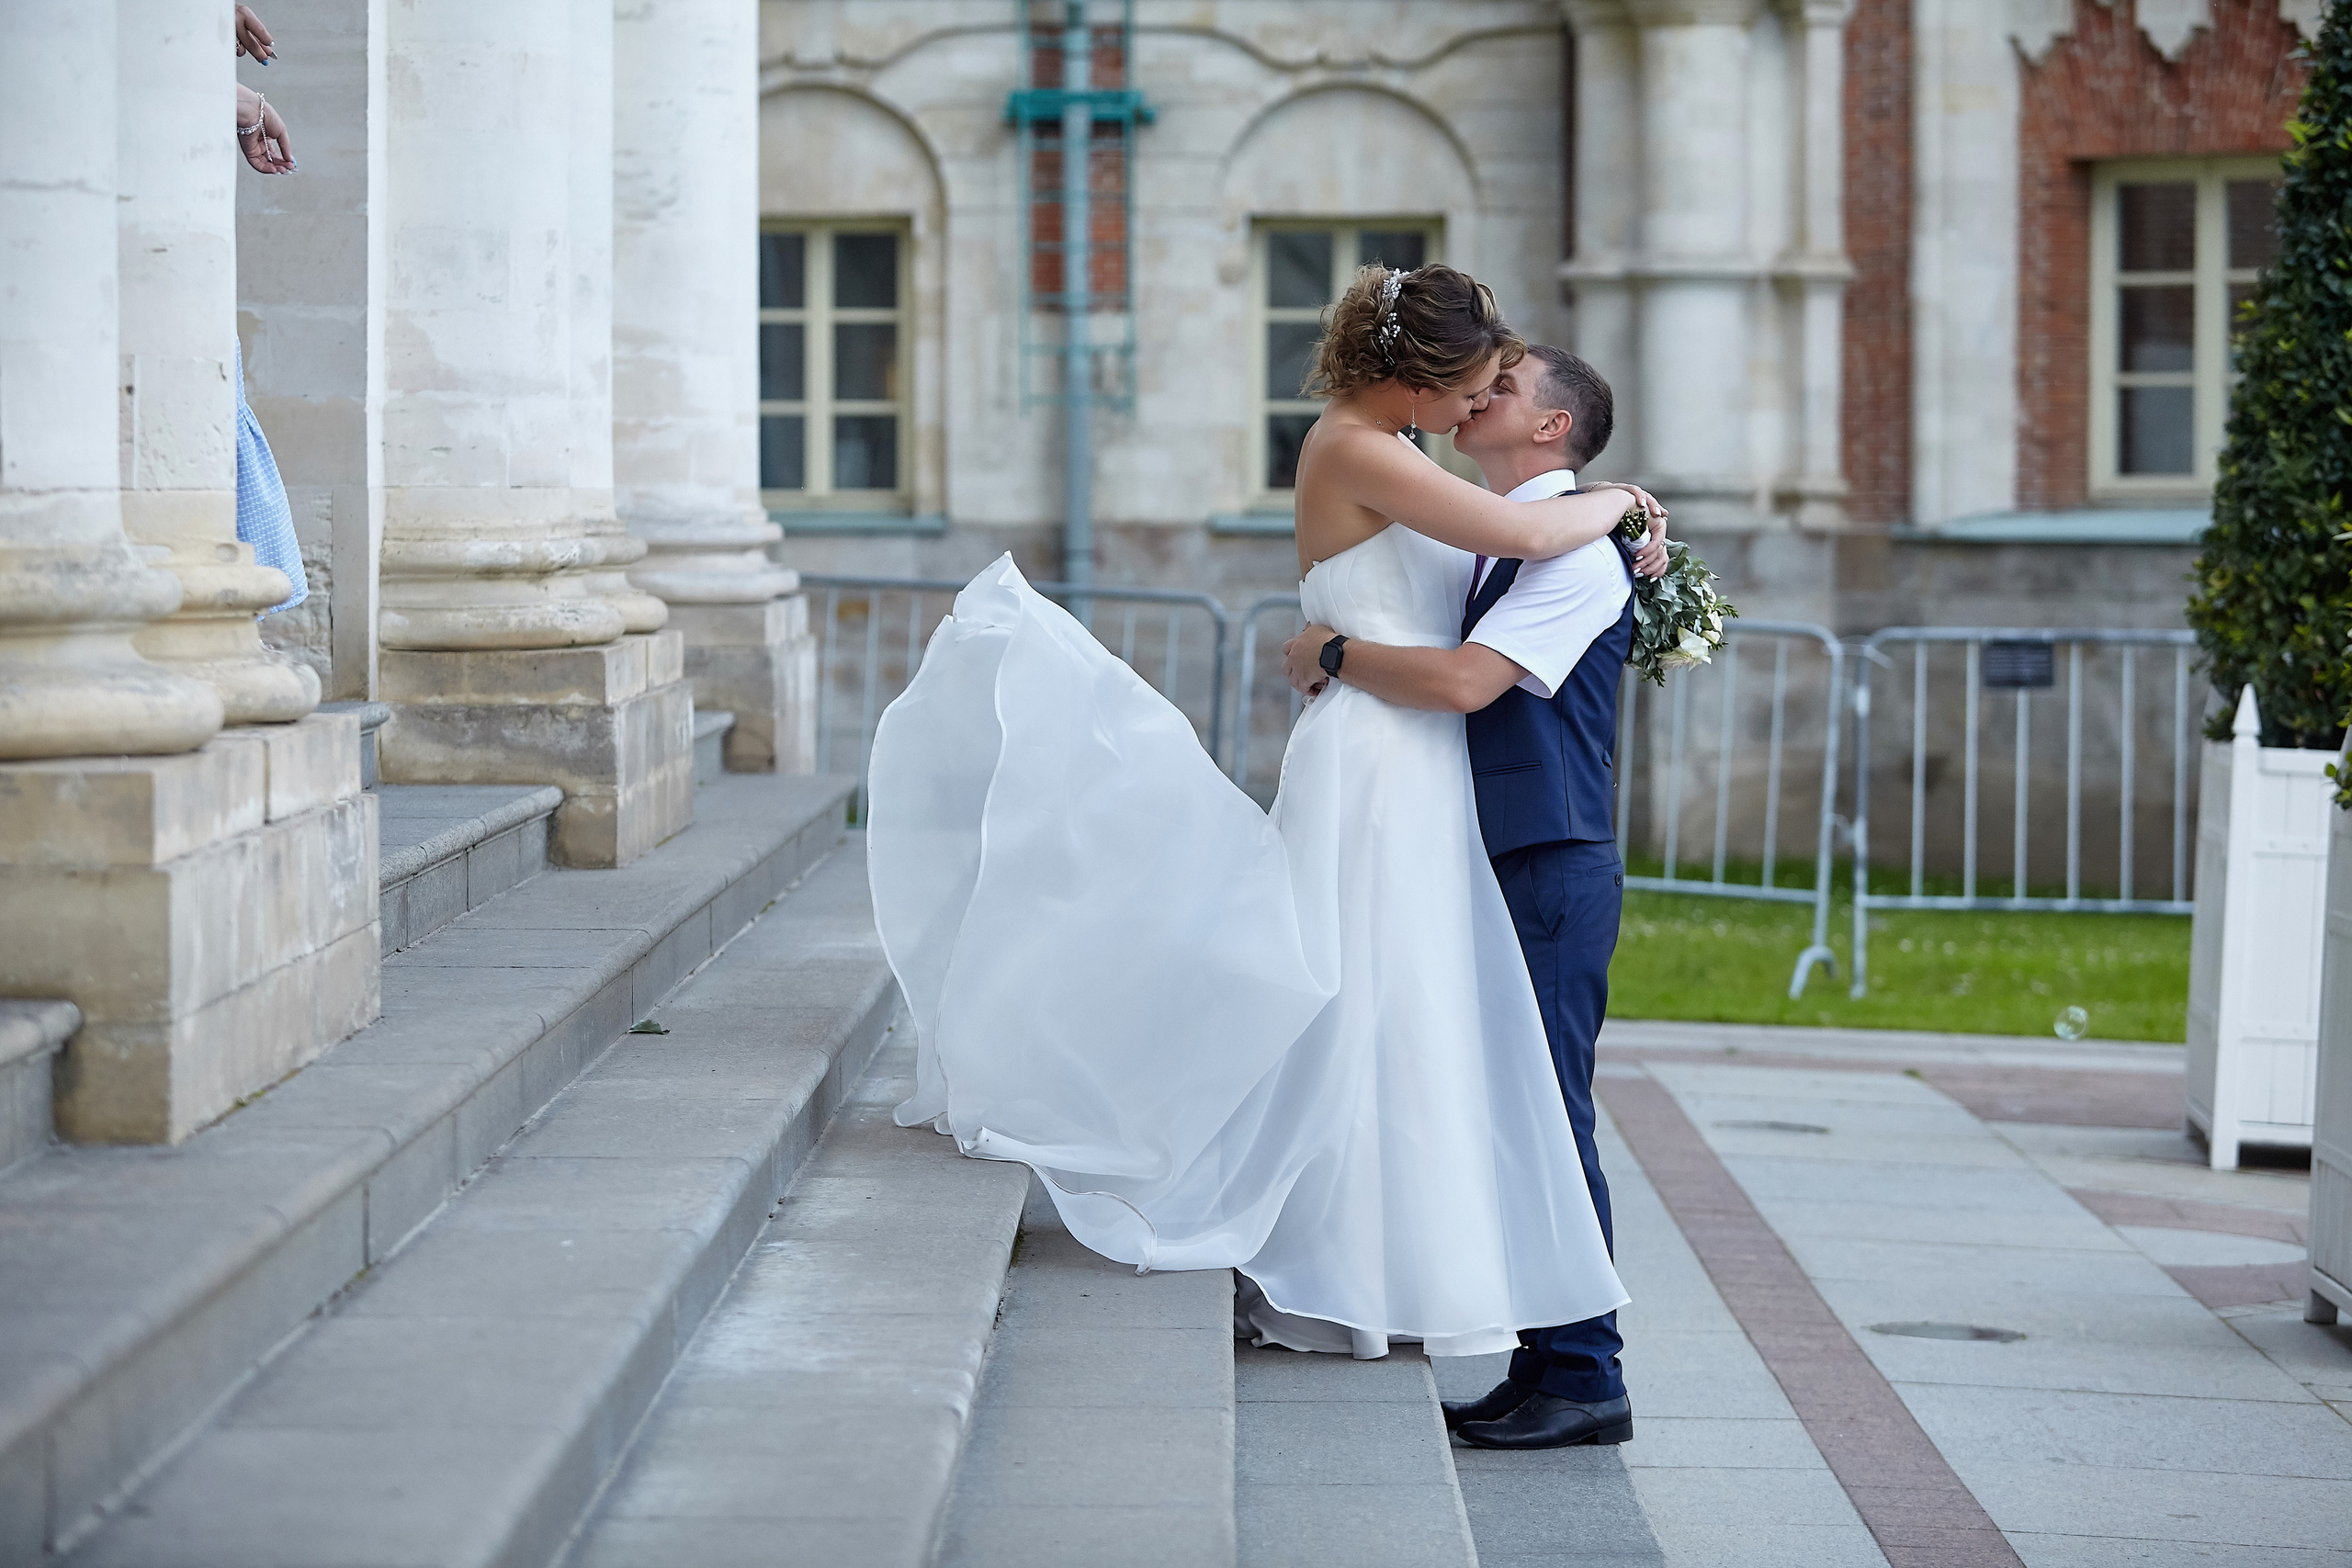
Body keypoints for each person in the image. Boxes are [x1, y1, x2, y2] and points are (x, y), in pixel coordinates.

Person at [865, 265, 1667, 1374]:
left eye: (1496, 389)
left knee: (1396, 1020)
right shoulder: (1355, 447)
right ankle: (1338, 1263)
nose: (1476, 405)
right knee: (1355, 1007)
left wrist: (1598, 514)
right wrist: (1622, 500)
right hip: (1382, 763)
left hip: (1420, 762)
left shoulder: (1409, 458)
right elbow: (1517, 542)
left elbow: (1505, 559)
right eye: (1470, 385)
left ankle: (1376, 1272)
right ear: (1418, 380)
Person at [1281, 344, 1635, 1449]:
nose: (1483, 394)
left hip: (1550, 857)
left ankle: (1585, 1374)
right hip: (1499, 851)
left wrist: (1331, 649)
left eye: (1509, 386)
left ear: (1549, 432)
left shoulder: (1575, 553)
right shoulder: (1500, 538)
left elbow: (1466, 683)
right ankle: (1543, 1362)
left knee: (1551, 1110)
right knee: (1512, 1106)